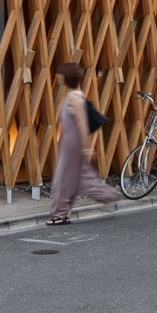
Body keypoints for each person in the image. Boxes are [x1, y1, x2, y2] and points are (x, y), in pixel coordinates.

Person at [45, 61, 116, 223]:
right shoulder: (75, 96)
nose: (58, 77)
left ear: (67, 77)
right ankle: (105, 195)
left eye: (60, 74)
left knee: (63, 179)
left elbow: (82, 123)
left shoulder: (75, 98)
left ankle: (60, 214)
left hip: (73, 145)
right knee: (78, 177)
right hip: (71, 144)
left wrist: (86, 149)